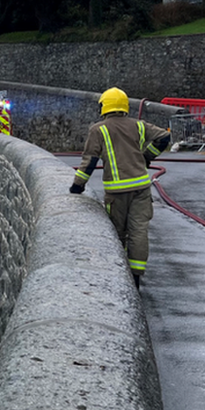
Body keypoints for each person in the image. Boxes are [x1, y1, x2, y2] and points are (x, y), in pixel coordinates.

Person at [70, 87, 171, 289]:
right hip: (141, 188)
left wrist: (77, 186)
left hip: (116, 192)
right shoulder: (139, 126)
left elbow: (89, 161)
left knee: (117, 233)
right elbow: (164, 138)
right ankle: (136, 276)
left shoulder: (99, 129)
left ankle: (119, 274)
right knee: (139, 231)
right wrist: (147, 156)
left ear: (104, 106)